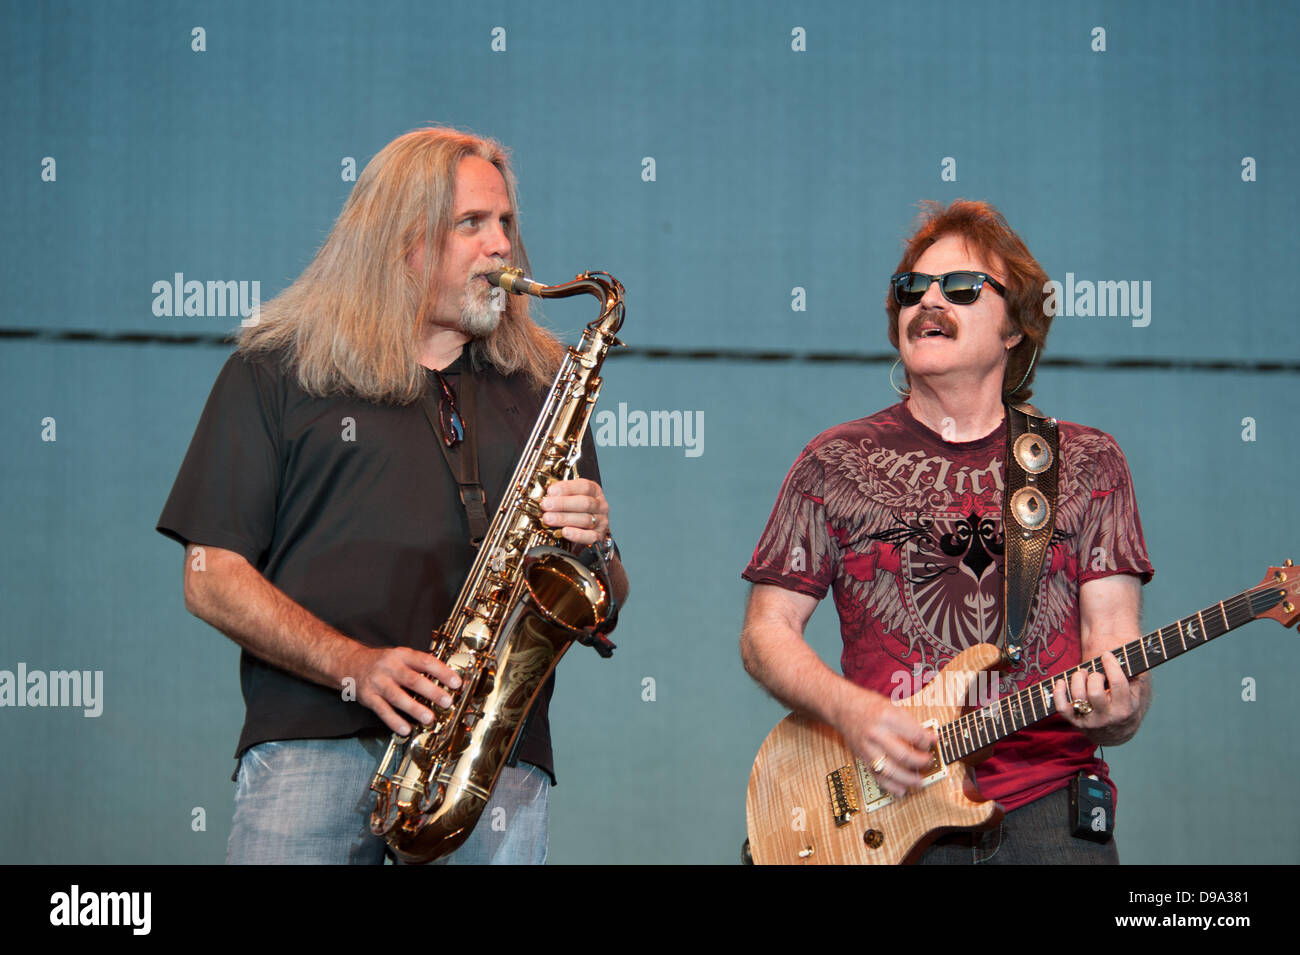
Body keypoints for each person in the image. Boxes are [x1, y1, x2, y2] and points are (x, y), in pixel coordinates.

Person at [157, 126, 628, 865]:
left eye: (505, 222)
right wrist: (355, 665)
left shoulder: (542, 388)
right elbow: (210, 575)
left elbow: (601, 596)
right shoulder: (279, 369)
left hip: (487, 768)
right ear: (397, 240)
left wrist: (594, 538)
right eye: (471, 223)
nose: (501, 244)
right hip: (313, 744)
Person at [739, 200, 1152, 864]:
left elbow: (1117, 655)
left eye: (960, 287)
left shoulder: (1087, 462)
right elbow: (765, 634)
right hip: (888, 813)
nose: (927, 301)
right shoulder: (834, 462)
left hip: (1048, 807)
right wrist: (854, 712)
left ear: (1017, 325)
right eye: (911, 289)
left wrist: (1120, 703)